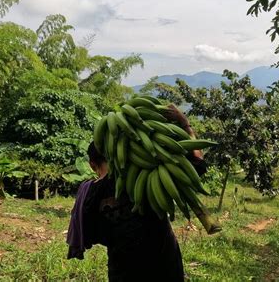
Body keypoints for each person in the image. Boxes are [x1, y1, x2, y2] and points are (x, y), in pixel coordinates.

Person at [67, 105, 207, 282]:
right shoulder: (148, 176)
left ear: (91, 164)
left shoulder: (89, 193)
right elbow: (198, 165)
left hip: (123, 272)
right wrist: (185, 124)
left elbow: (93, 236)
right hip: (165, 268)